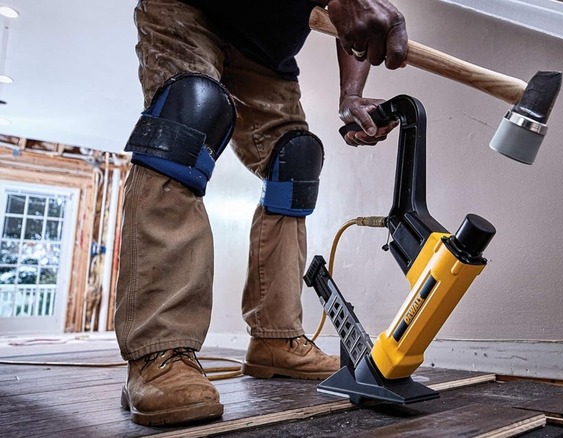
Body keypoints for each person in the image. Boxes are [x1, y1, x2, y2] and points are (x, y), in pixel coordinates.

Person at [114, 0, 408, 426]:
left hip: (268, 52)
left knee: (296, 160)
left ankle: (277, 340)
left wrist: (351, 95)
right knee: (187, 115)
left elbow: (355, 26)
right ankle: (159, 350)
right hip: (187, 8)